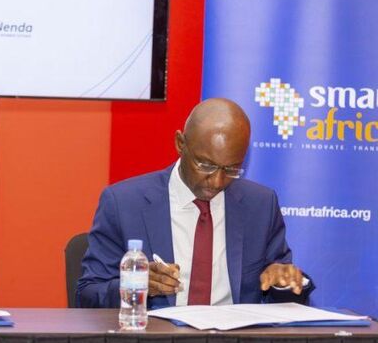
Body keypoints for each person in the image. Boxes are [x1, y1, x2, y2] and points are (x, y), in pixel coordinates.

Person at [77, 98, 314, 308]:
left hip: (234, 342)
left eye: (231, 169)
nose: (217, 181)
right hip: (157, 340)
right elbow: (87, 294)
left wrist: (283, 282)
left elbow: (280, 290)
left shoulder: (260, 205)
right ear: (180, 143)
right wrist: (136, 285)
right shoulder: (124, 203)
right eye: (206, 165)